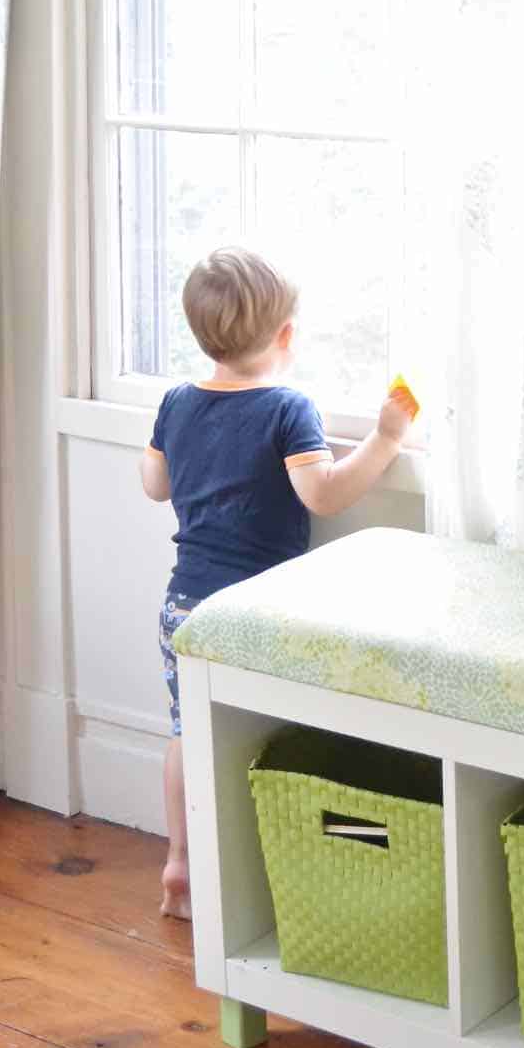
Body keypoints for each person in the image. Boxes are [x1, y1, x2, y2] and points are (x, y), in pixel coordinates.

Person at [139, 248, 412, 920]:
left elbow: (154, 485)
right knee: (264, 736)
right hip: (258, 613)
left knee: (186, 731)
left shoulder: (177, 401)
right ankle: (268, 869)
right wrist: (385, 439)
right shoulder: (288, 407)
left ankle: (180, 861)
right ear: (285, 335)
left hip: (185, 605)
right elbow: (322, 494)